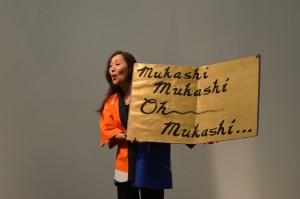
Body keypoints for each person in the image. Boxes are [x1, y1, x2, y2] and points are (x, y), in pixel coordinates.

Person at [98, 51, 172, 199]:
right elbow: (107, 128)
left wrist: (197, 134)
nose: (112, 68)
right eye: (110, 66)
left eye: (117, 64)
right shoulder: (111, 102)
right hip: (125, 164)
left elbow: (170, 120)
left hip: (151, 161)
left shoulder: (152, 95)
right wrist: (128, 135)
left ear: (131, 67)